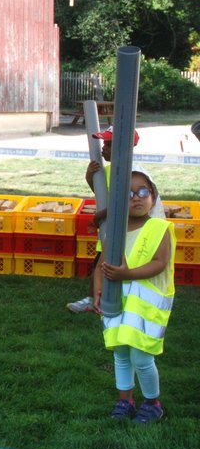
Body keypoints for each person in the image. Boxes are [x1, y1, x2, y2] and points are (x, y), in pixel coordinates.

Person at [93, 167, 174, 424]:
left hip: (146, 309)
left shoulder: (159, 227)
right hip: (118, 302)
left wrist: (127, 274)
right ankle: (124, 400)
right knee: (121, 353)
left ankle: (152, 403)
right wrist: (97, 289)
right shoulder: (114, 231)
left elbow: (160, 263)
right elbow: (101, 263)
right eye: (128, 193)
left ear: (152, 196)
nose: (136, 197)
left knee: (141, 356)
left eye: (142, 192)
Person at [68, 126, 142, 313]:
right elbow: (101, 194)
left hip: (125, 231)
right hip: (112, 228)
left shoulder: (132, 173)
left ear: (124, 148)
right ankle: (96, 298)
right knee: (99, 266)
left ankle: (101, 300)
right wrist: (90, 175)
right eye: (104, 144)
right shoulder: (111, 170)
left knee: (106, 267)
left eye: (108, 145)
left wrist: (99, 216)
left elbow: (125, 204)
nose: (103, 148)